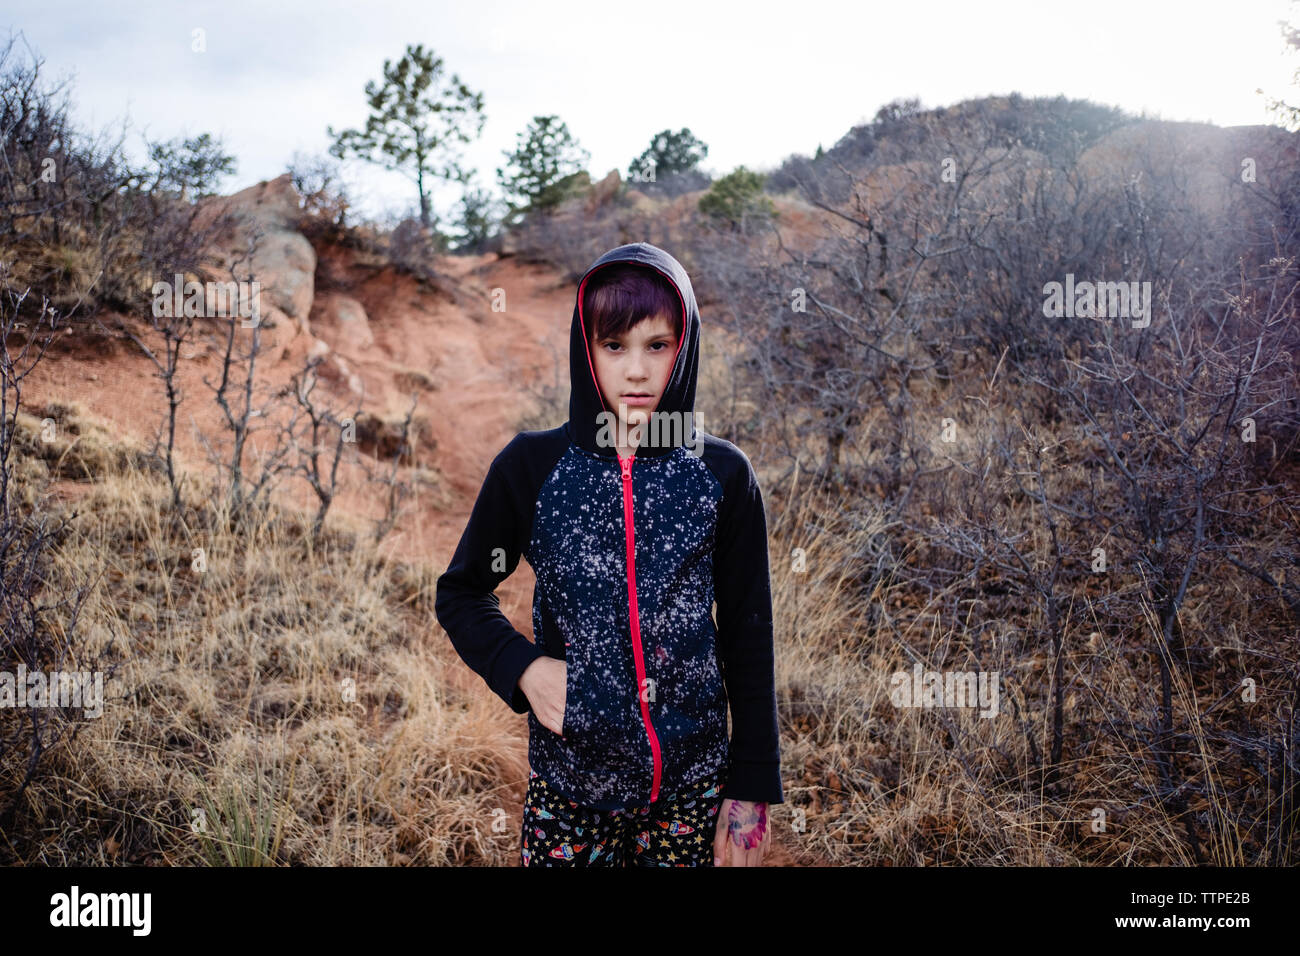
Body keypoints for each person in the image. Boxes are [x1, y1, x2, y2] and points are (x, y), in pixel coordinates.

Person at [435, 241, 782, 867]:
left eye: (658, 345)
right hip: (570, 788)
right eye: (614, 345)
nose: (637, 371)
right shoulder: (532, 468)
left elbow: (748, 632)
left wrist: (752, 787)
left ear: (686, 346)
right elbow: (461, 592)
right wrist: (523, 667)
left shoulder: (721, 474)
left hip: (691, 787)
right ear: (585, 348)